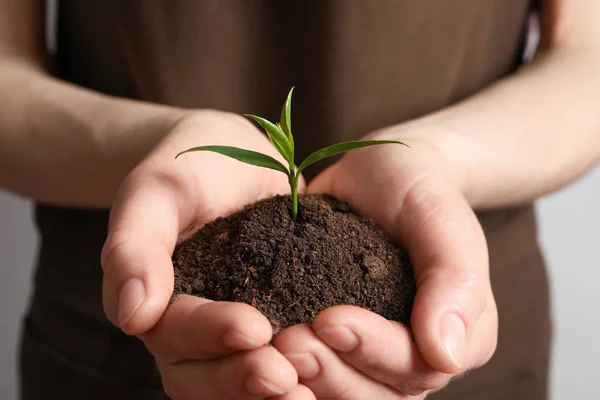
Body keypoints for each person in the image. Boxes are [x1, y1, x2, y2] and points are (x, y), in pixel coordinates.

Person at [1, 0, 599, 399]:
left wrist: (437, 158)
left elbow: (586, 56)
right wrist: (156, 145)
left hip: (450, 321)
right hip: (126, 345)